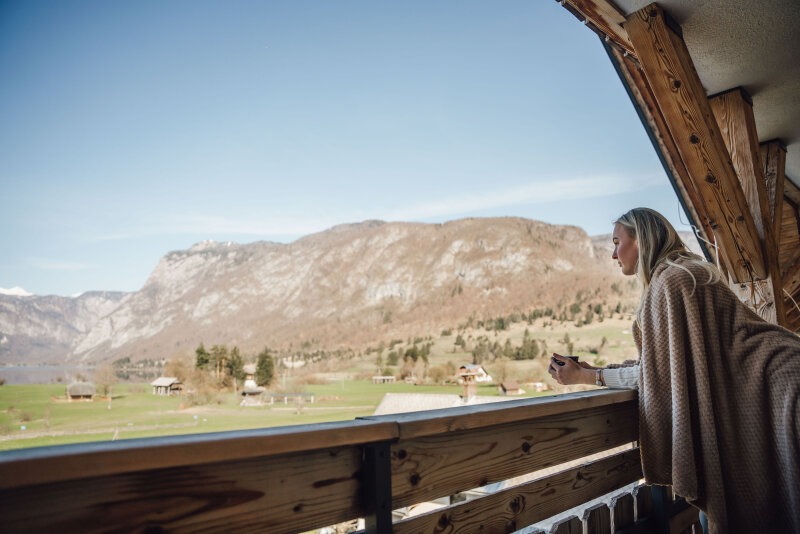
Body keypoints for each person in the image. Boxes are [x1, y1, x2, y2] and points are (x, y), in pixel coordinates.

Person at [548, 207, 800, 534]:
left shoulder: (670, 282)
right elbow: (665, 364)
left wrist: (586, 377)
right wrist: (598, 370)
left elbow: (660, 376)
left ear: (641, 240)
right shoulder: (691, 271)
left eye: (617, 242)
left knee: (730, 511)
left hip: (777, 389)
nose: (613, 254)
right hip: (781, 376)